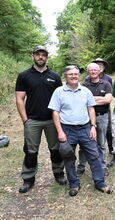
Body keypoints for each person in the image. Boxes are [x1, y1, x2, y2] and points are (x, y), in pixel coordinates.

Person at [48, 65, 112, 196]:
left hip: (85, 128)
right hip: (67, 129)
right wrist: (60, 131)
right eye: (70, 74)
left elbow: (91, 109)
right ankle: (74, 184)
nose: (73, 76)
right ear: (65, 76)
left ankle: (100, 183)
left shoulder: (85, 91)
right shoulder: (59, 92)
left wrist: (93, 126)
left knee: (94, 156)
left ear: (79, 75)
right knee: (68, 157)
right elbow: (55, 112)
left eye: (76, 74)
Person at [15, 46, 66, 193]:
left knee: (56, 149)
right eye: (38, 55)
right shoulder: (24, 76)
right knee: (31, 151)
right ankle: (28, 179)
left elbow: (61, 99)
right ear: (33, 56)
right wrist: (25, 120)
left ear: (47, 58)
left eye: (43, 55)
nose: (40, 57)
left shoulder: (55, 77)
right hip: (32, 120)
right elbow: (19, 99)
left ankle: (59, 174)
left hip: (52, 120)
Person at [77, 63, 112, 176]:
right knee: (84, 143)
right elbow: (81, 101)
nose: (93, 72)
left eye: (95, 70)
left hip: (102, 116)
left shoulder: (106, 84)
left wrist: (90, 99)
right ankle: (81, 165)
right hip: (86, 118)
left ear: (99, 71)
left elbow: (108, 100)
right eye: (90, 70)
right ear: (88, 72)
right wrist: (99, 99)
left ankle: (102, 166)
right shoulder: (84, 86)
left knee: (101, 143)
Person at [88, 58, 113, 156]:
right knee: (91, 136)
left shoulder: (108, 79)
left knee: (108, 130)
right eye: (97, 64)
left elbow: (108, 98)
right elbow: (84, 100)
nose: (99, 67)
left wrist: (91, 99)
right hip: (90, 112)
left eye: (101, 65)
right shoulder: (87, 80)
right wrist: (101, 99)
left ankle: (110, 148)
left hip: (105, 110)